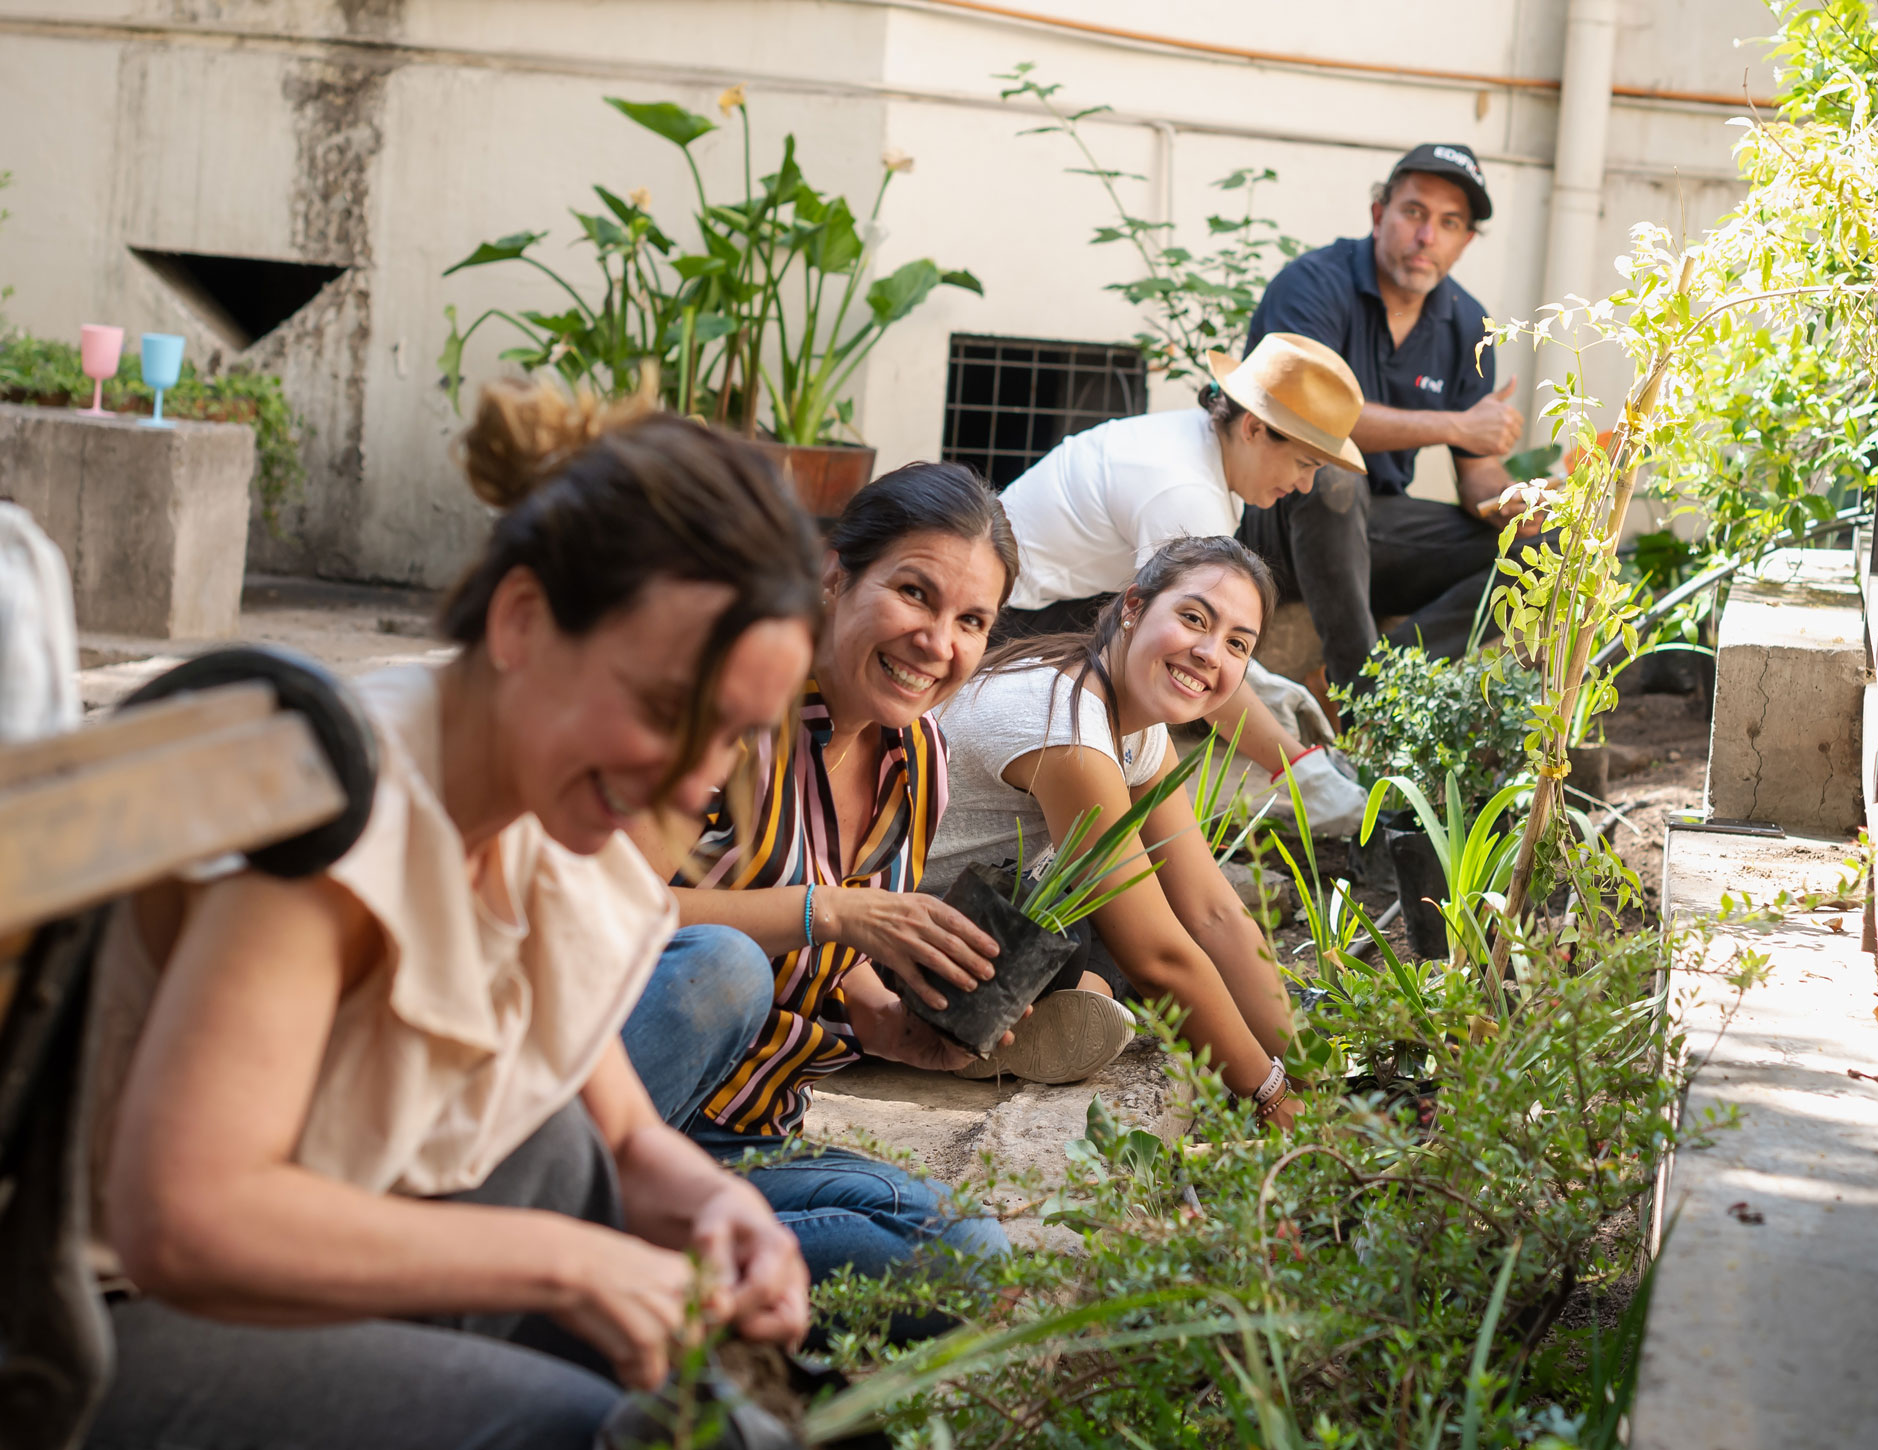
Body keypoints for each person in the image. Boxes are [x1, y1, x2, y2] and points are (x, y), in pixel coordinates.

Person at [85, 381, 823, 1450]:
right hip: (91, 1323)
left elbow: (619, 1132)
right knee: (577, 1421)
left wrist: (723, 1206)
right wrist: (565, 1263)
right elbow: (184, 1218)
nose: (693, 779)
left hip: (236, 1284)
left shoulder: (537, 815)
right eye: (669, 710)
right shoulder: (342, 810)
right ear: (522, 619)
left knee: (563, 1164)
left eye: (735, 736)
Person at [619, 461, 1037, 1293]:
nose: (937, 643)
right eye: (914, 594)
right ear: (835, 575)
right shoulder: (731, 707)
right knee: (721, 965)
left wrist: (897, 1024)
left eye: (971, 621)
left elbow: (834, 967)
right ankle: (572, 1220)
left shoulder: (919, 760)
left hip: (744, 1136)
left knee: (966, 1256)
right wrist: (828, 911)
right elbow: (609, 908)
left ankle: (652, 1261)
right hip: (612, 1102)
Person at [927, 536, 1297, 1128]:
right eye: (1193, 618)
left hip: (1001, 909)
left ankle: (1077, 999)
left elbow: (1212, 910)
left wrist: (1313, 1066)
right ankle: (1024, 1017)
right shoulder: (1066, 724)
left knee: (1138, 896)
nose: (1209, 653)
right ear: (1133, 607)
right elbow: (1158, 958)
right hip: (925, 945)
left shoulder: (1135, 724)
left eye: (1236, 644)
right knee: (1120, 920)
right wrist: (1274, 1096)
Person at [995, 332, 1373, 834]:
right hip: (1007, 631)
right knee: (1174, 665)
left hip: (1046, 603)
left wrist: (1262, 685)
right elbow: (1198, 658)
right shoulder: (1186, 489)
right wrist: (1298, 767)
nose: (1305, 486)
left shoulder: (1202, 448)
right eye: (1305, 464)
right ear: (1256, 428)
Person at [1236, 142, 1554, 695]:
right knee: (1331, 474)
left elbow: (1477, 470)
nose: (1427, 237)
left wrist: (1514, 503)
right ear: (1380, 214)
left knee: (1547, 553)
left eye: (1449, 223)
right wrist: (1454, 424)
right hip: (1278, 513)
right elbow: (1306, 421)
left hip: (1378, 528)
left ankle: (1380, 681)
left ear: (1465, 240)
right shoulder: (1313, 285)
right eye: (1414, 213)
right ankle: (1364, 704)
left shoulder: (1467, 323)